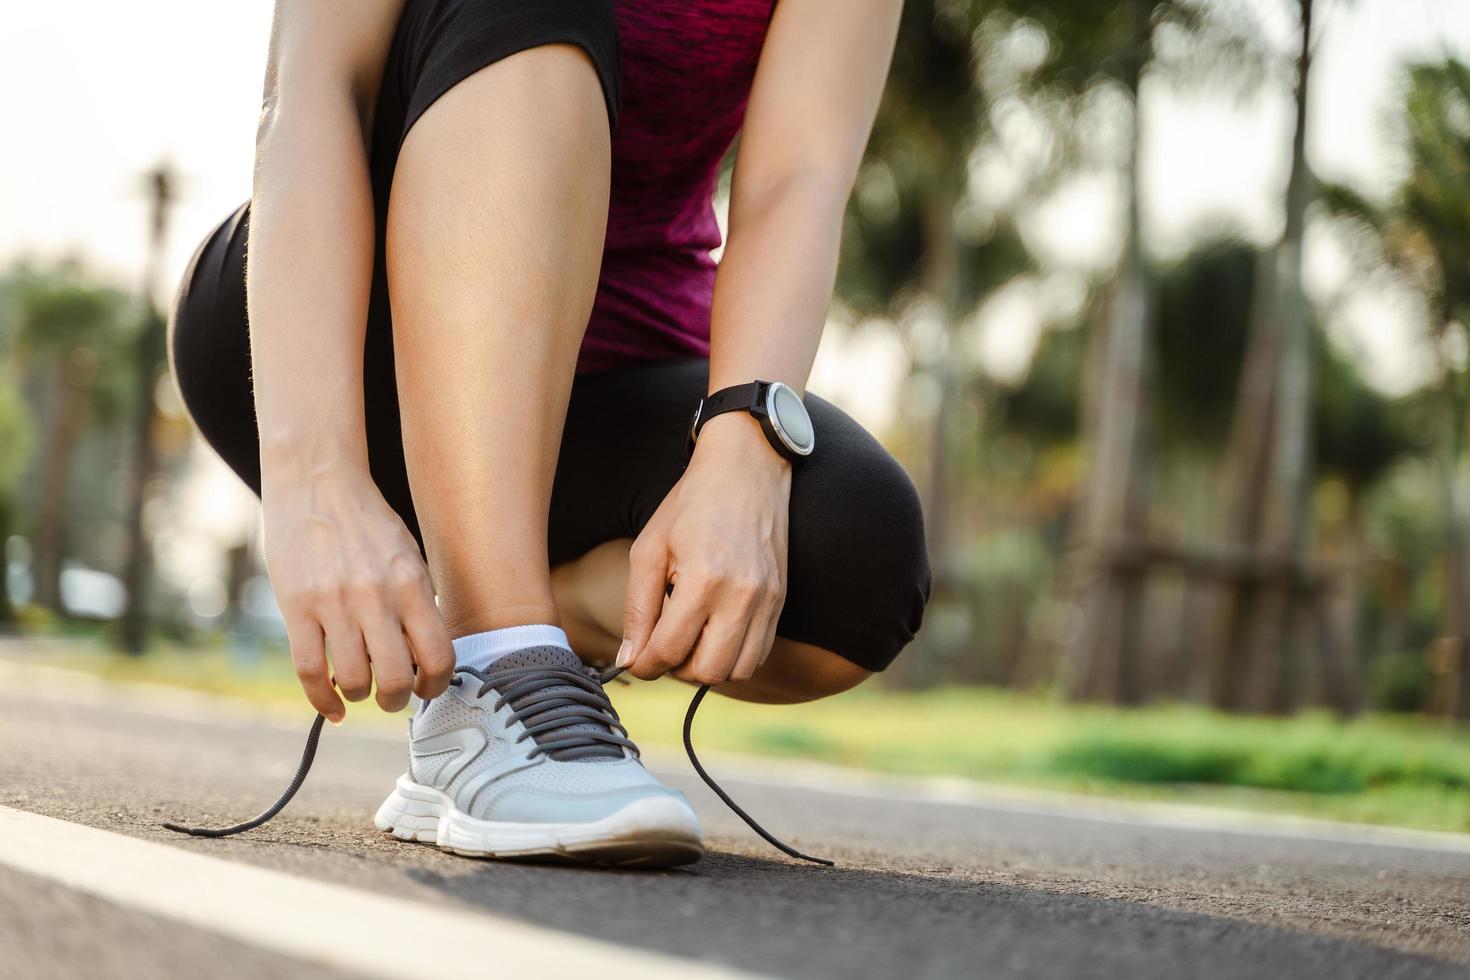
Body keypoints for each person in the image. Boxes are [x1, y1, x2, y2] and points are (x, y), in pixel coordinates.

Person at [168, 0, 929, 867]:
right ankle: (503, 652)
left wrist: (741, 446)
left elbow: (801, 175)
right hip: (341, 334)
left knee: (856, 555)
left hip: (615, 368)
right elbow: (312, 92)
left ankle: (487, 639)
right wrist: (317, 474)